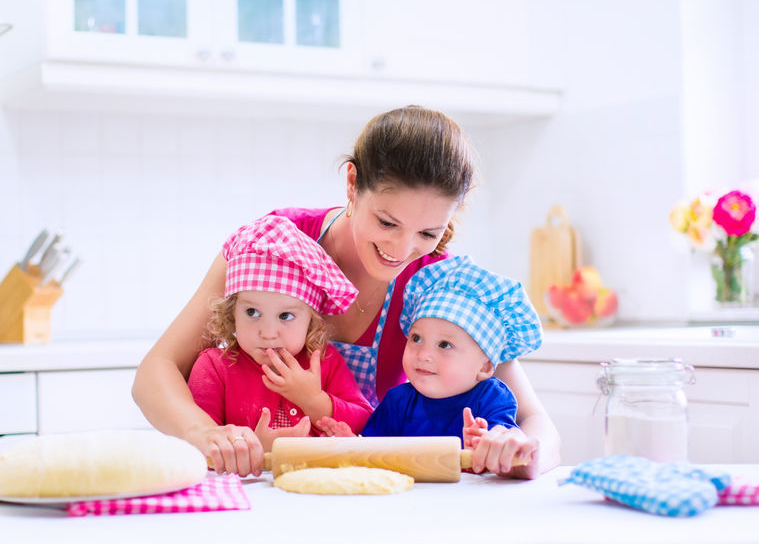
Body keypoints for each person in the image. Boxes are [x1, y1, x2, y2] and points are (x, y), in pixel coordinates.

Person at [133, 105, 561, 479]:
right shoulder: (274, 243)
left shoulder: (440, 285)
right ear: (353, 183)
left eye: (428, 232)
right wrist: (208, 436)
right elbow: (155, 373)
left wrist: (523, 449)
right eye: (387, 223)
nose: (401, 250)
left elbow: (534, 420)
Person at [316, 255, 542, 471]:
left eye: (444, 345)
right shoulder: (398, 402)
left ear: (484, 367)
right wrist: (353, 445)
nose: (423, 354)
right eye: (416, 338)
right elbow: (374, 454)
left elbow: (504, 447)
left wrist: (486, 444)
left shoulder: (492, 399)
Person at [186, 214, 373, 456]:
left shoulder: (325, 362)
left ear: (311, 321)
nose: (268, 332)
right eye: (252, 312)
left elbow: (365, 422)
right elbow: (201, 446)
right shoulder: (213, 368)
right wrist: (256, 449)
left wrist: (315, 401)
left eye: (285, 316)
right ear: (232, 313)